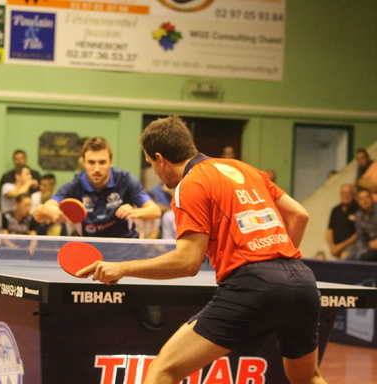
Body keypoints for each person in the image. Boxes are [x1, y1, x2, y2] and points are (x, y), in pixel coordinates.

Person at [79, 116, 327, 384]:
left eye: (151, 163)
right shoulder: (242, 168)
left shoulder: (191, 184)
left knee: (163, 370)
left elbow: (187, 262)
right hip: (301, 281)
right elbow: (299, 215)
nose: (155, 170)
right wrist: (275, 261)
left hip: (253, 285)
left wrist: (122, 268)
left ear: (160, 159)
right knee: (308, 378)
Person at [33, 137, 161, 238]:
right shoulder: (75, 185)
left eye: (102, 162)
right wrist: (48, 211)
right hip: (90, 247)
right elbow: (39, 214)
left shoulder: (125, 180)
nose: (96, 169)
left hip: (125, 246)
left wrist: (134, 212)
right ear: (83, 162)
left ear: (110, 161)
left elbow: (155, 211)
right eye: (91, 162)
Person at [326, 184, 358, 259]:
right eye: (343, 193)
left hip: (351, 246)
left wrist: (340, 247)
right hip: (334, 247)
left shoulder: (358, 210)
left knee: (344, 257)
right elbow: (329, 231)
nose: (345, 196)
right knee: (319, 257)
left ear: (353, 195)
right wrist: (332, 247)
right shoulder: (335, 210)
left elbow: (357, 234)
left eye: (348, 193)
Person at [351, 189, 377, 261]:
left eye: (367, 197)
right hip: (368, 248)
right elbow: (360, 238)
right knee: (347, 261)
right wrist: (360, 253)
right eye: (361, 199)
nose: (365, 201)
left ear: (371, 199)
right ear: (358, 202)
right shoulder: (358, 216)